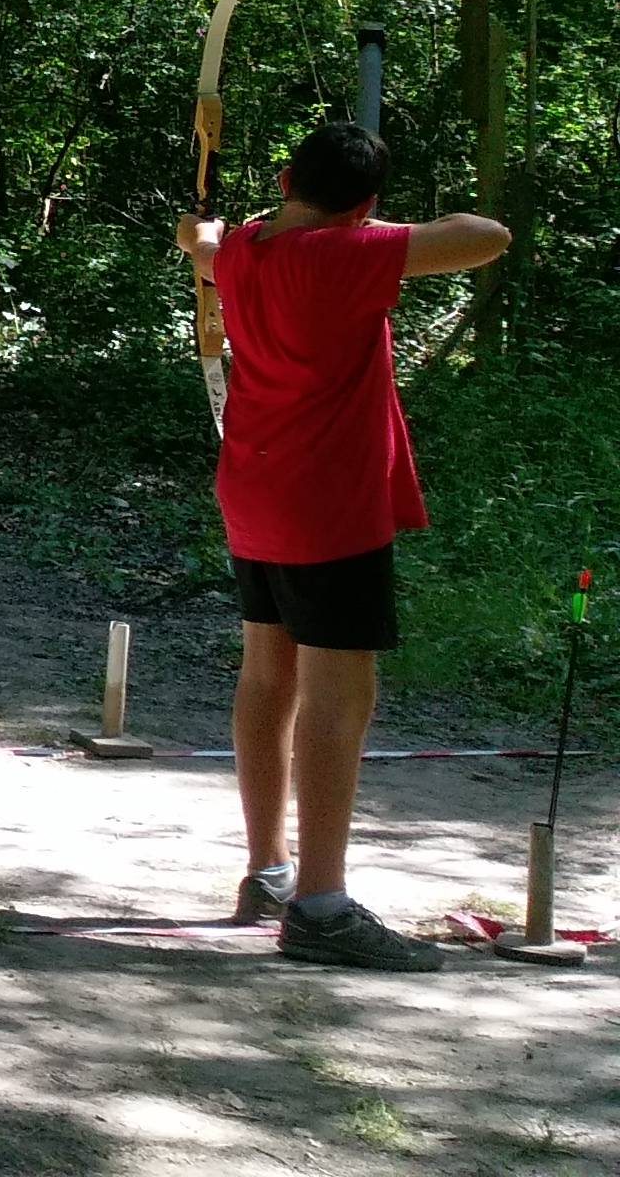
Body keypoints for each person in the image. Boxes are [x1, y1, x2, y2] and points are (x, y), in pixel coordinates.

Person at [179, 119, 507, 972]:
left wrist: (207, 232)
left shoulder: (243, 250)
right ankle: (321, 906)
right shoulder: (346, 254)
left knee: (267, 674)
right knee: (339, 694)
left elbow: (201, 243)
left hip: (255, 489)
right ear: (364, 206)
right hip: (326, 505)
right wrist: (365, 228)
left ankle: (269, 873)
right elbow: (487, 236)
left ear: (286, 180)